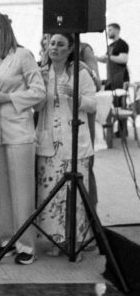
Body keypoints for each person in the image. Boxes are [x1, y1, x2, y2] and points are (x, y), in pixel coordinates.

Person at [0, 12, 45, 266]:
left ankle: (26, 245)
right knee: (2, 191)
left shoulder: (23, 55)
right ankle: (6, 240)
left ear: (1, 28)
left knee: (22, 191)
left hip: (18, 130)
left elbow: (39, 92)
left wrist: (10, 98)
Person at [35, 33, 97, 254]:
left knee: (77, 195)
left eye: (61, 44)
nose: (55, 48)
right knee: (50, 193)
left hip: (74, 142)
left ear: (71, 48)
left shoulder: (80, 73)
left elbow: (92, 105)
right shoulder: (41, 73)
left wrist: (76, 96)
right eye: (52, 44)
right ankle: (57, 239)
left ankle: (77, 241)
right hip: (49, 141)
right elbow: (34, 107)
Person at [98, 22, 130, 138]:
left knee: (120, 104)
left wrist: (108, 57)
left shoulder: (122, 44)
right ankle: (110, 130)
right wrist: (97, 58)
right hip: (111, 78)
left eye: (110, 30)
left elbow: (123, 59)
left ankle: (123, 130)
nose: (108, 32)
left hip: (120, 78)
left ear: (117, 30)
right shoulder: (111, 45)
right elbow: (107, 59)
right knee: (110, 104)